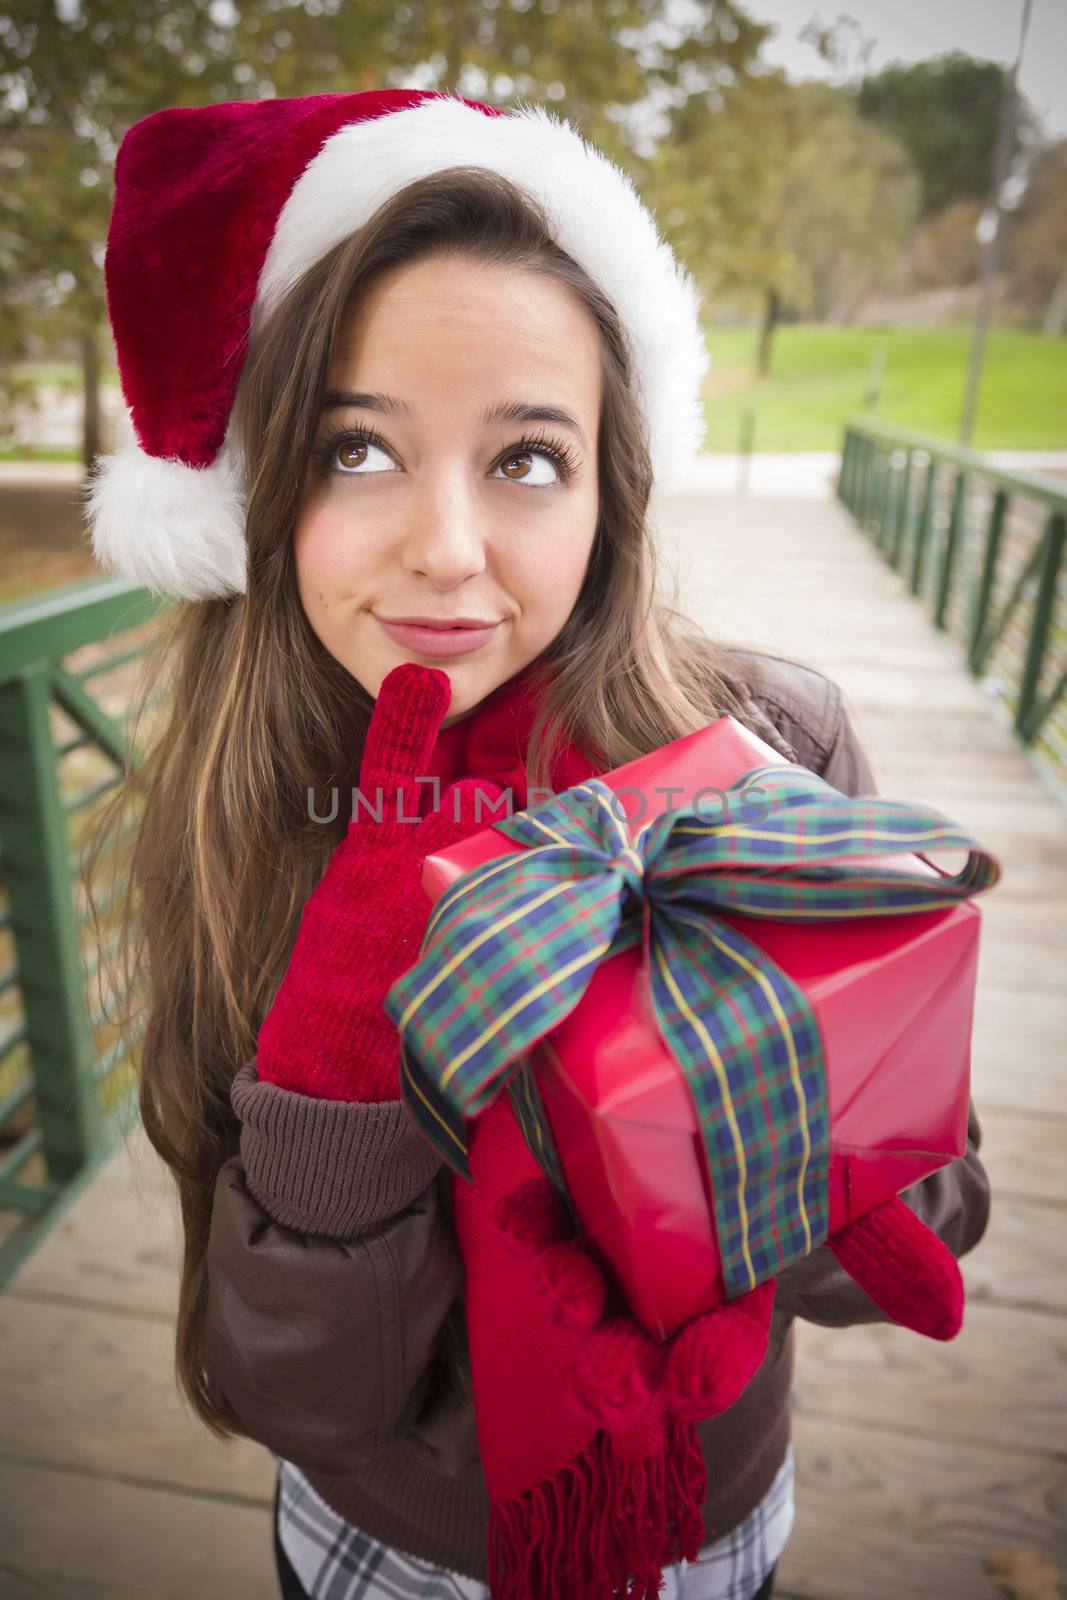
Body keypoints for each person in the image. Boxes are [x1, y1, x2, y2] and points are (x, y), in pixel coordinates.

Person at [85, 89, 992, 1600]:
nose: (445, 545)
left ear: (607, 494)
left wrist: (816, 1109)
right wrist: (338, 1068)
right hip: (393, 1541)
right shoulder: (244, 812)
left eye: (524, 460)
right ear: (258, 493)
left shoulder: (775, 753)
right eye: (355, 451)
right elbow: (288, 1390)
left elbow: (926, 1220)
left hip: (708, 1513)